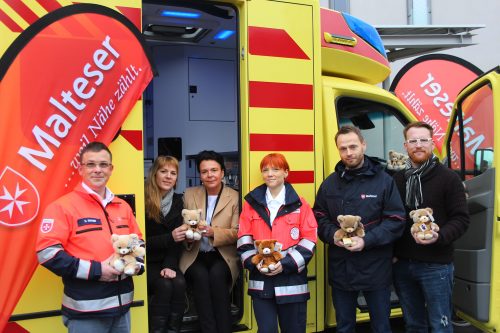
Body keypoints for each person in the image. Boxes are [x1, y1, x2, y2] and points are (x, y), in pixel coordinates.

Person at [36, 142, 144, 333]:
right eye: (91, 164)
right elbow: (47, 254)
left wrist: (135, 265)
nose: (97, 170)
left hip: (122, 308)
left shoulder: (122, 206)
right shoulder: (62, 207)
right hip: (86, 312)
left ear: (111, 169)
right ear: (80, 169)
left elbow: (138, 242)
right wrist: (97, 270)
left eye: (103, 165)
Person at [313, 125, 406, 333]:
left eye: (353, 146)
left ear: (363, 145)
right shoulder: (329, 184)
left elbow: (396, 219)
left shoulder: (384, 181)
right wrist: (333, 234)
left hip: (376, 268)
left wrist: (366, 240)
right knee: (344, 326)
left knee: (381, 326)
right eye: (343, 148)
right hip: (342, 269)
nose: (349, 153)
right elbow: (318, 216)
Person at [392, 121, 470, 332]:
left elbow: (461, 219)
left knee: (440, 325)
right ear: (405, 145)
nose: (418, 145)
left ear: (432, 142)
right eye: (413, 140)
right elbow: (392, 219)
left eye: (423, 140)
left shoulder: (449, 178)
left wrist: (440, 236)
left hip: (437, 266)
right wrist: (392, 253)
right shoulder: (398, 180)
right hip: (402, 265)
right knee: (414, 325)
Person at [237, 153, 317, 333]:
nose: (269, 174)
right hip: (262, 282)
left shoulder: (300, 205)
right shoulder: (250, 205)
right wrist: (256, 263)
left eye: (275, 169)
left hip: (292, 284)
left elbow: (310, 240)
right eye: (265, 170)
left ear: (286, 173)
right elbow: (243, 240)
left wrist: (285, 264)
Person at [179, 150, 239, 333]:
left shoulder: (235, 196)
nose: (209, 175)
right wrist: (188, 235)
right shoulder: (189, 194)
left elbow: (238, 233)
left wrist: (214, 232)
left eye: (214, 170)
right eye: (204, 171)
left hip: (223, 255)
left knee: (217, 277)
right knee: (200, 278)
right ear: (200, 174)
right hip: (195, 254)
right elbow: (182, 226)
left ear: (222, 172)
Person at [145, 156, 187, 333]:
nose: (168, 176)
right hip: (147, 261)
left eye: (173, 173)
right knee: (164, 285)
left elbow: (177, 243)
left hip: (168, 260)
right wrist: (169, 237)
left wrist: (170, 265)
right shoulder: (143, 199)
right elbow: (139, 243)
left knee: (179, 283)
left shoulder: (179, 201)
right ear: (154, 174)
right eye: (164, 171)